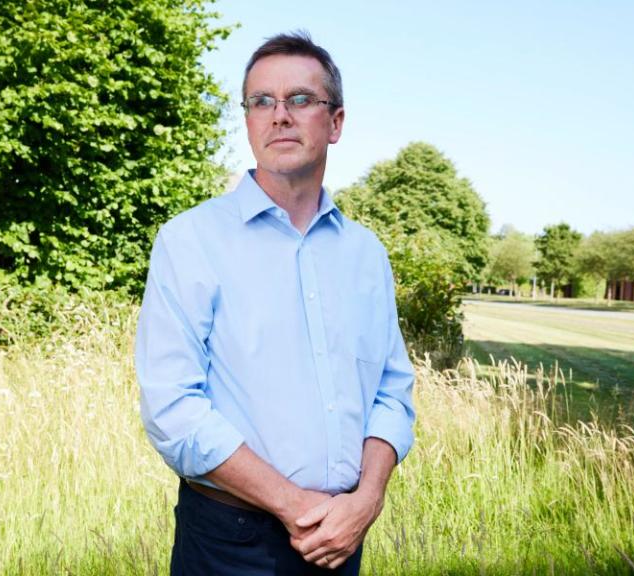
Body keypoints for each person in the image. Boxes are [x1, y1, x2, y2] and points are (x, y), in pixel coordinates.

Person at [135, 31, 415, 575]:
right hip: (229, 544)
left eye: (300, 99)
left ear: (335, 123)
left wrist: (367, 499)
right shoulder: (189, 241)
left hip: (342, 537)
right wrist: (295, 505)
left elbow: (392, 391)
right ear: (248, 120)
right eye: (261, 101)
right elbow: (173, 409)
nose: (279, 115)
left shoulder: (366, 254)